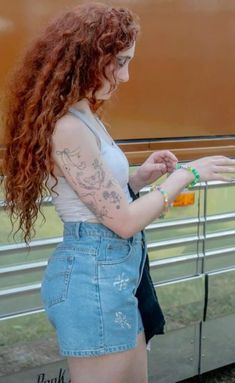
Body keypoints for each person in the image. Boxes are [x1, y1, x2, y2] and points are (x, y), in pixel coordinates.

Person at [3, 2, 235, 383]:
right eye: (120, 61)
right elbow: (123, 223)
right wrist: (188, 175)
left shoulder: (84, 115)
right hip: (92, 278)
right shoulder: (68, 128)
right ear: (88, 58)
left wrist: (140, 179)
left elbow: (98, 201)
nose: (126, 76)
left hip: (115, 274)